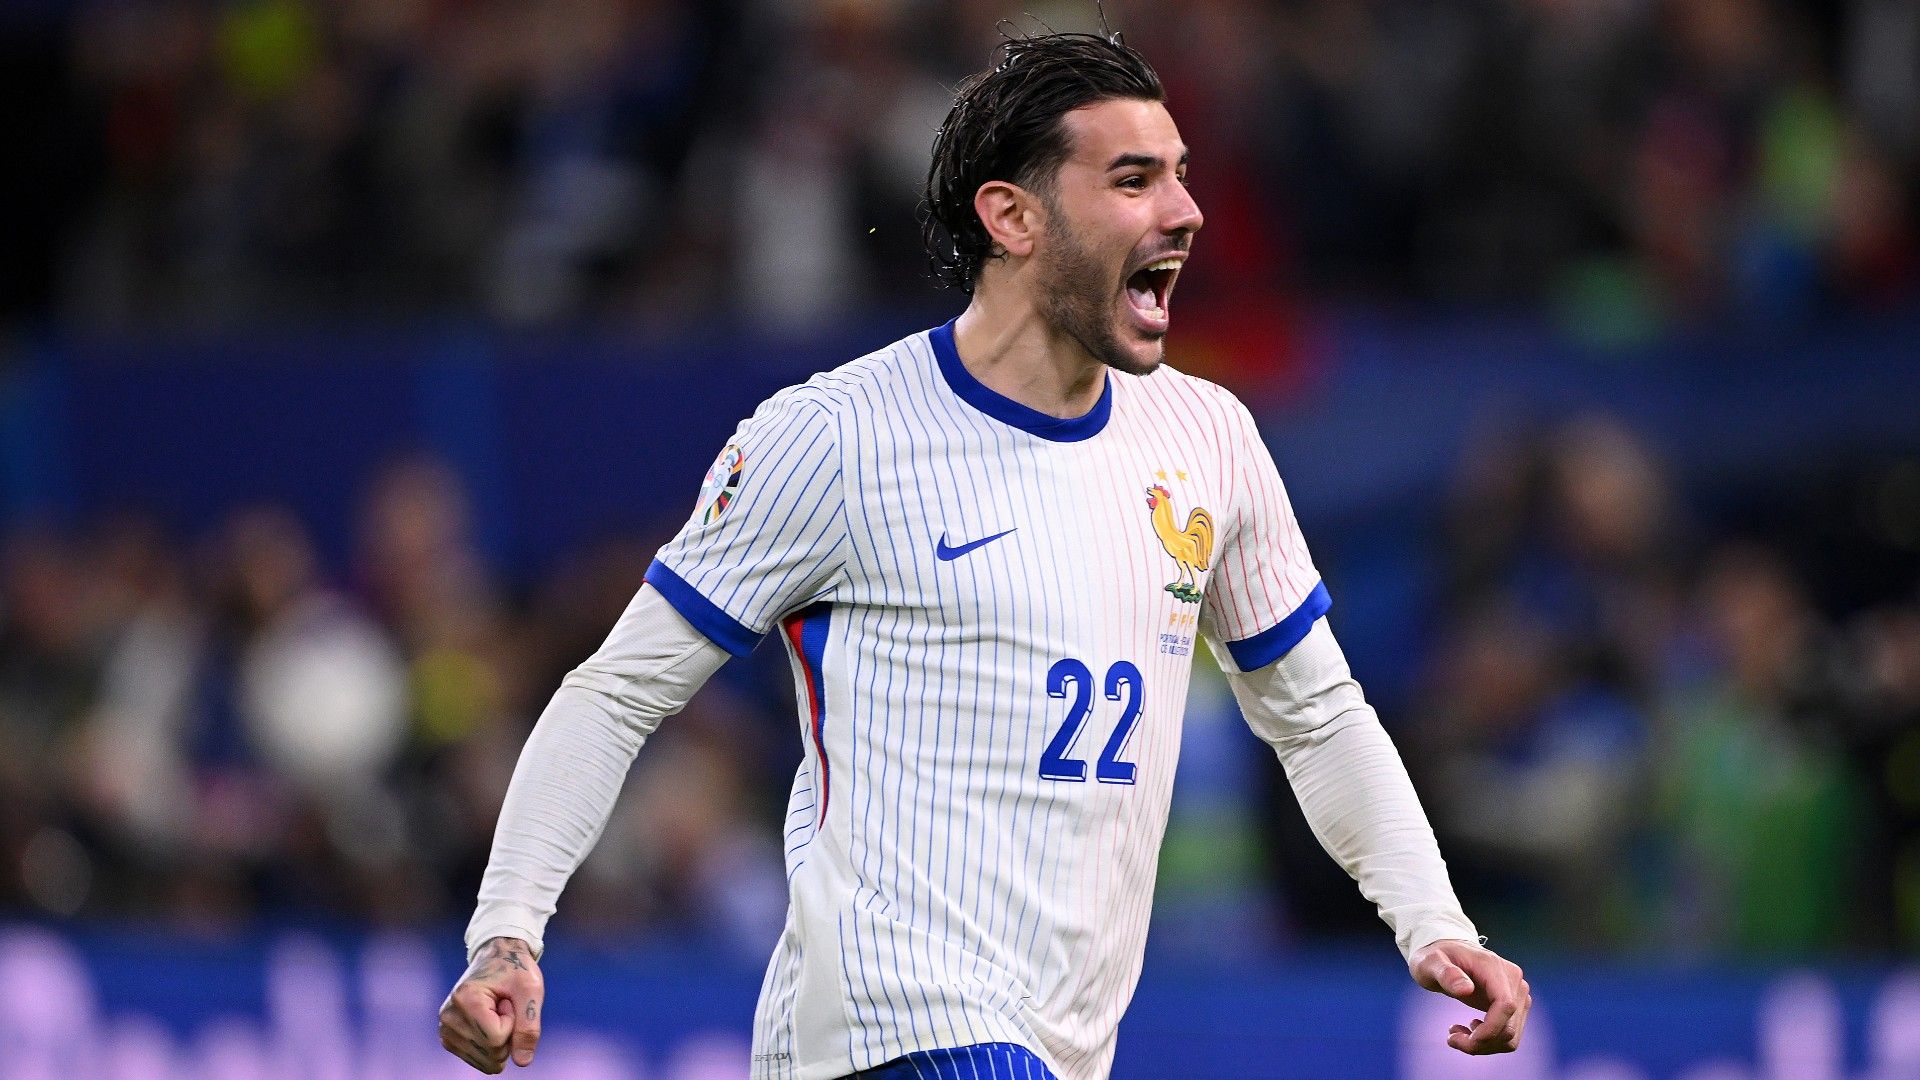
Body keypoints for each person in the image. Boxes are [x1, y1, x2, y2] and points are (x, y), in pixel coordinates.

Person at [439, 30, 1531, 1079]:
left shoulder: (1209, 442)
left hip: (1060, 1039)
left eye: (1183, 175)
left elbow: (1318, 713)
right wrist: (508, 930)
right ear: (1012, 216)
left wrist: (1432, 919)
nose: (1187, 212)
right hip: (882, 1024)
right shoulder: (838, 437)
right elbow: (618, 692)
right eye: (1135, 179)